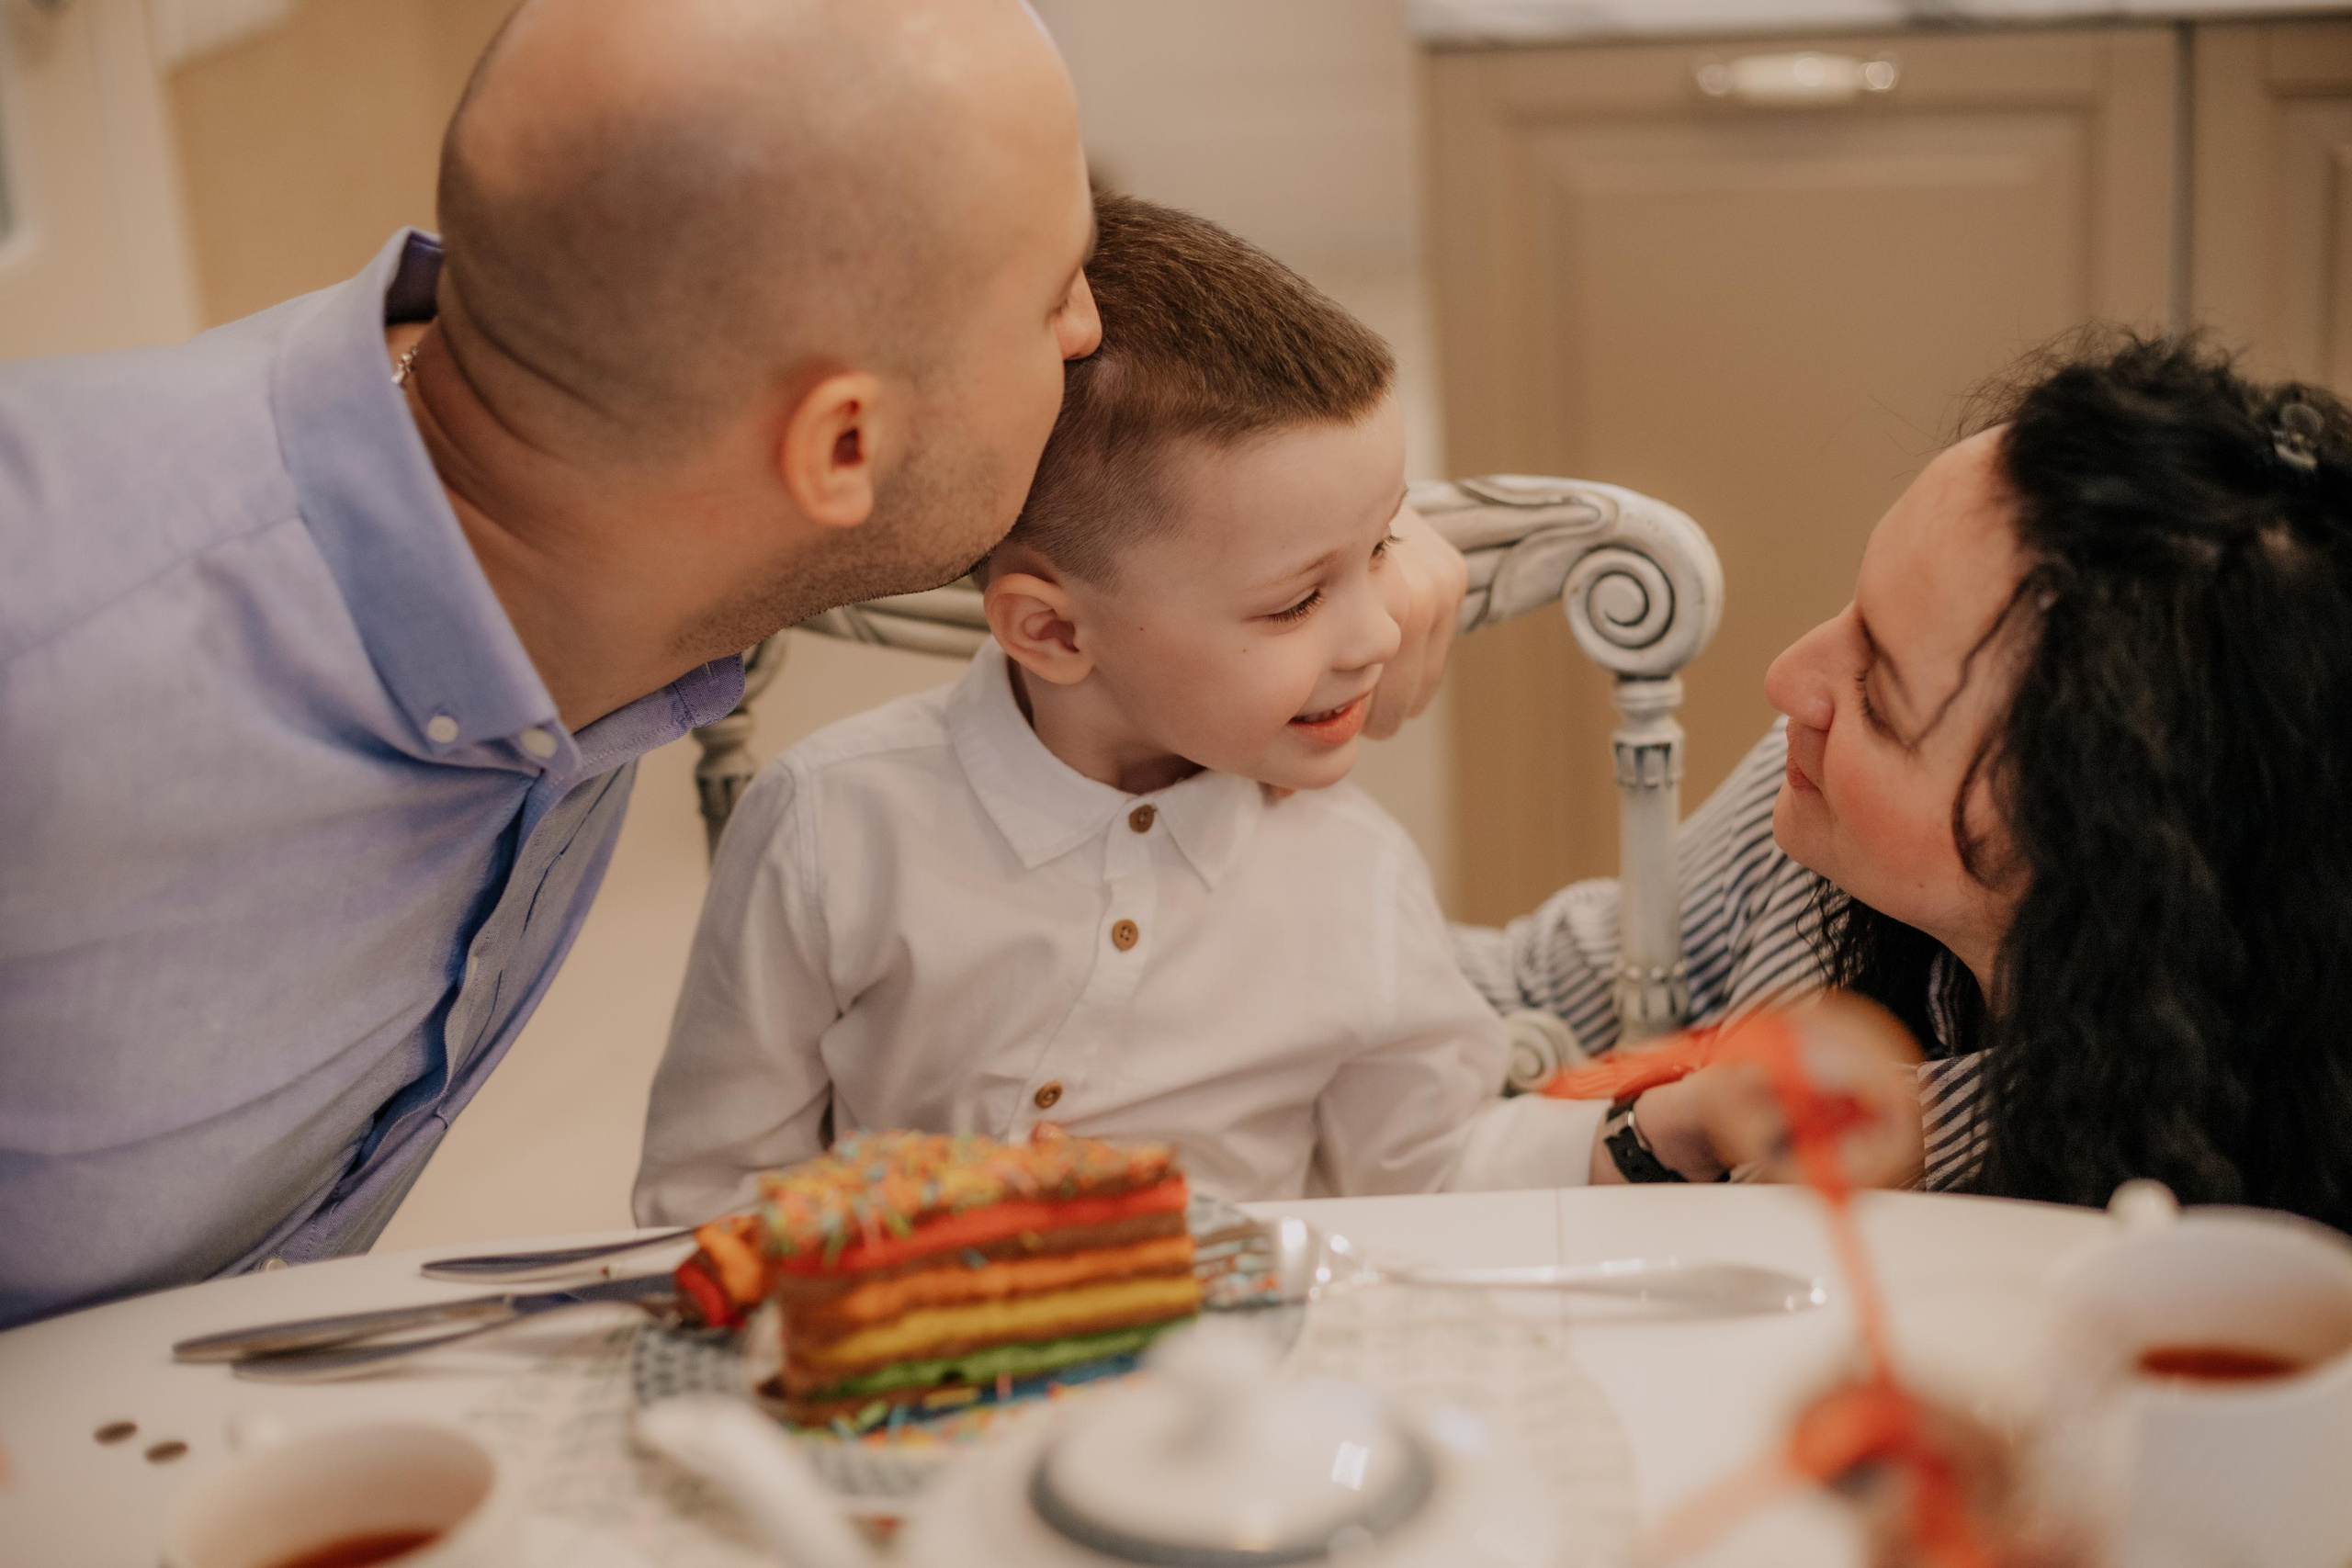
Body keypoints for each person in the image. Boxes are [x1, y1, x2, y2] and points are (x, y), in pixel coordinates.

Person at [0, 0, 1466, 1328]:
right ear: (841, 448)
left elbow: (1182, 515)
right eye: (1055, 295)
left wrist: (1367, 581)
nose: (1091, 331)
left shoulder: (600, 507)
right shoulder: (56, 658)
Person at [635, 195, 1591, 1224]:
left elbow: (1433, 1179)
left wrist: (1659, 1130)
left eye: (1382, 548)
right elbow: (709, 1195)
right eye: (1297, 600)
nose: (1376, 636)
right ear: (1051, 632)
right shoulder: (835, 824)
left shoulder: (1354, 871)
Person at [1464, 333, 2352, 1231]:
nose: (1788, 680)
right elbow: (1516, 989)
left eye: (1880, 697)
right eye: (1855, 609)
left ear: (2108, 848)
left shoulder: (2238, 1226)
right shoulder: (1811, 810)